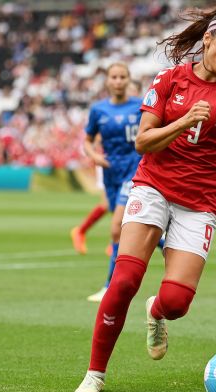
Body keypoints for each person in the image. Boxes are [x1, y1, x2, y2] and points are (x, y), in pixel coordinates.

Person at [74, 3, 216, 392]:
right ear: (207, 38)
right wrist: (184, 120)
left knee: (176, 303)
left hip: (200, 201)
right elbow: (143, 141)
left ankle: (155, 311)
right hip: (153, 186)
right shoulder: (169, 79)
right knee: (123, 281)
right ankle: (94, 376)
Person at [78, 63, 144, 302]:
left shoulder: (140, 105)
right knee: (127, 227)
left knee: (116, 227)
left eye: (122, 77)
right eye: (114, 77)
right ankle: (166, 244)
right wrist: (94, 156)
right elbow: (87, 140)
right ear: (107, 81)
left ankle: (110, 286)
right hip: (110, 174)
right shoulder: (98, 110)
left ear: (128, 80)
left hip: (134, 170)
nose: (118, 81)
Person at [70, 80, 147, 259]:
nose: (134, 96)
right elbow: (95, 136)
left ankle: (111, 240)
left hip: (131, 165)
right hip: (112, 164)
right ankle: (86, 232)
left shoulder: (138, 110)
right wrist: (98, 154)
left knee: (120, 208)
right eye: (132, 91)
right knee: (111, 206)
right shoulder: (110, 111)